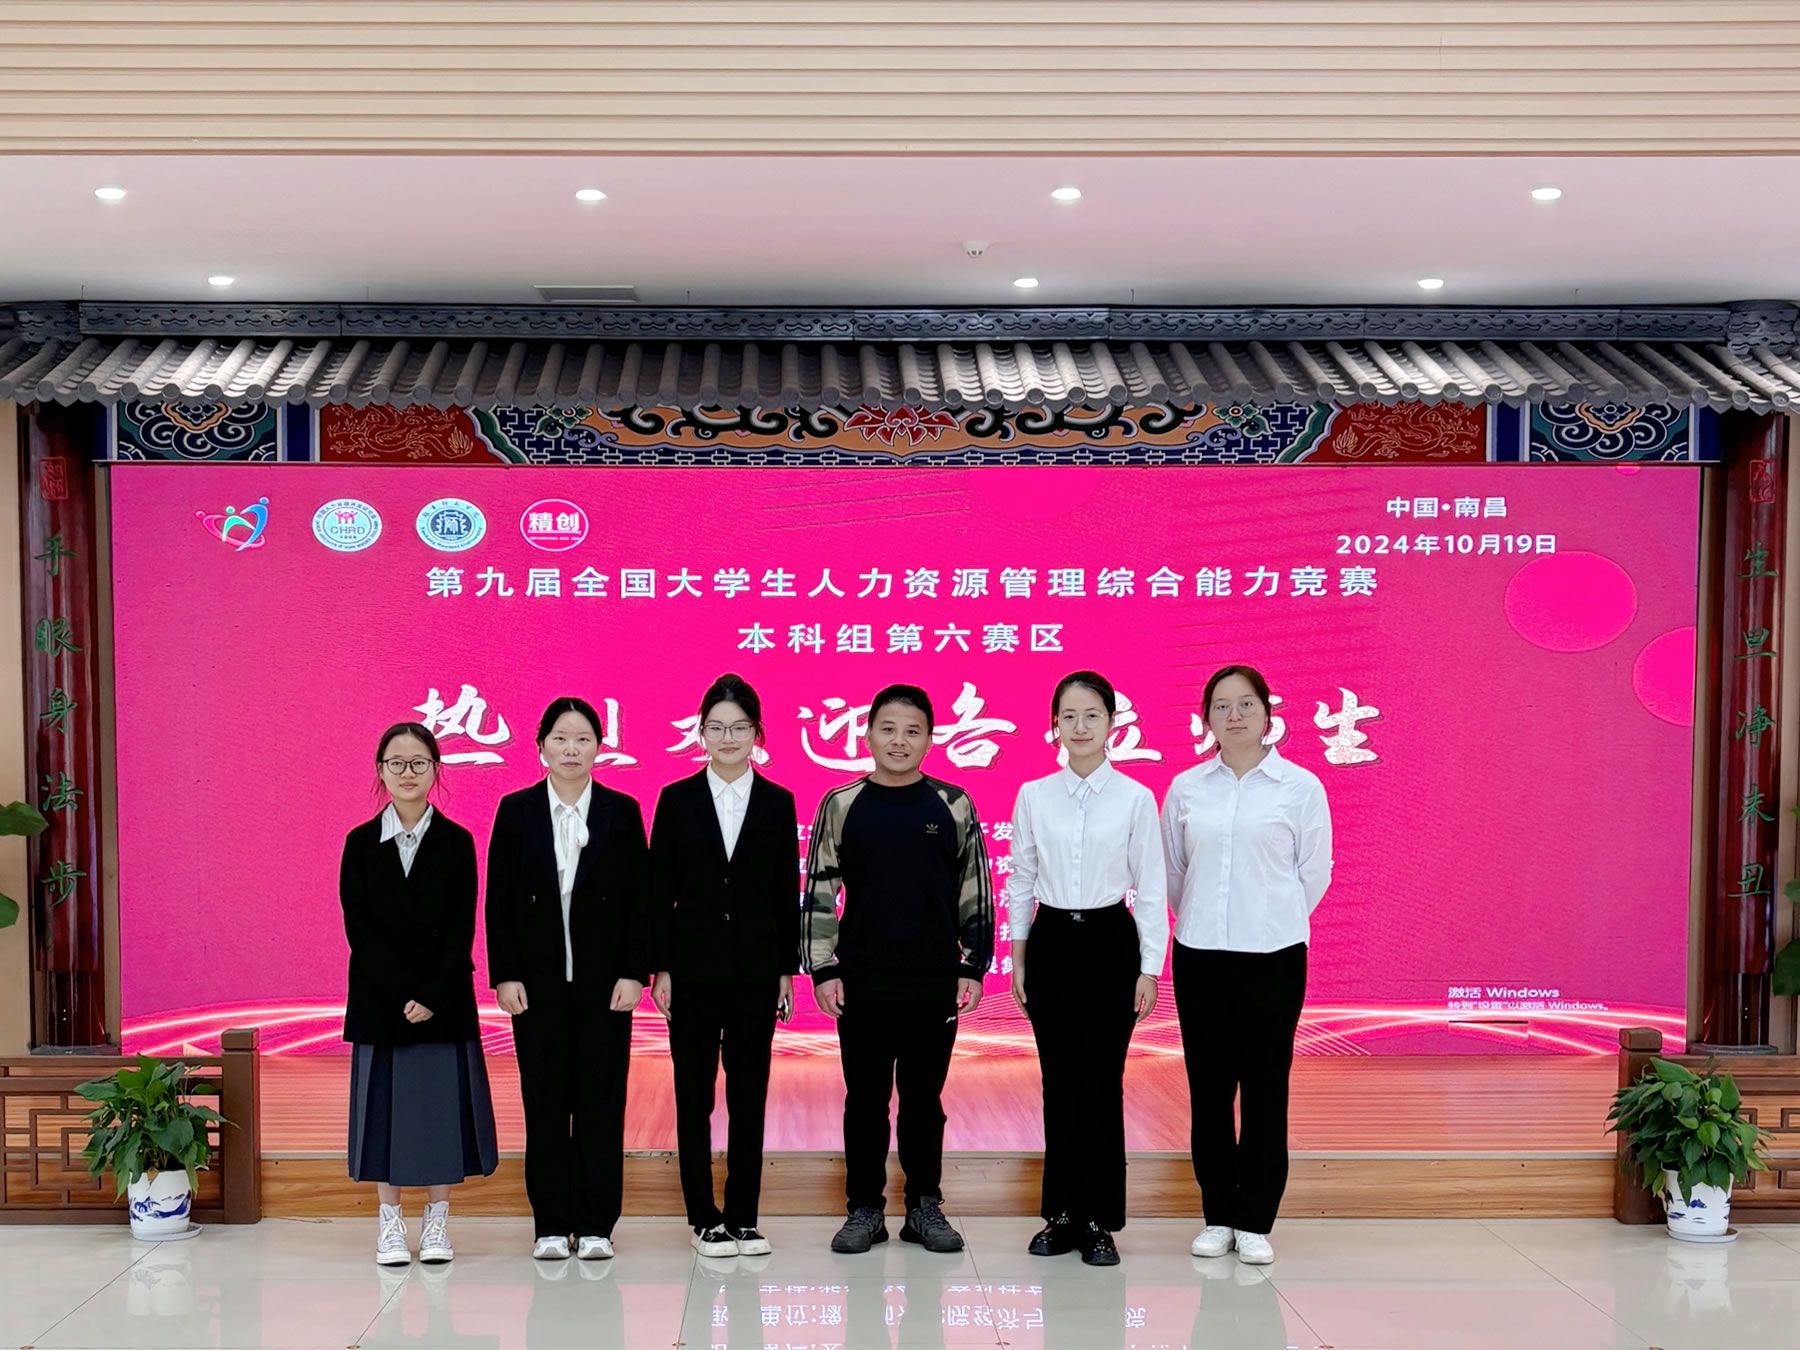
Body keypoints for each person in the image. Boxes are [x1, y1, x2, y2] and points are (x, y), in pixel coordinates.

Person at [802, 683, 994, 1255]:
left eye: (913, 731)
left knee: (923, 1102)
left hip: (934, 979)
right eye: (888, 729)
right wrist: (822, 968)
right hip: (861, 980)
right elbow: (819, 891)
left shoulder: (953, 804)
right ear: (868, 735)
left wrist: (973, 964)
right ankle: (864, 1209)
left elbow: (974, 887)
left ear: (931, 740)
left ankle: (923, 1206)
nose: (899, 741)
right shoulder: (841, 804)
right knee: (864, 1100)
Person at [1162, 665, 1333, 1267]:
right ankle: (1217, 1215)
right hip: (1201, 956)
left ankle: (1255, 1219)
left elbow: (1314, 873)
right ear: (1205, 718)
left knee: (1265, 1089)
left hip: (1274, 958)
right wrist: (1210, 919)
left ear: (1267, 713)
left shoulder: (1300, 787)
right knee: (1209, 1091)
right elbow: (1175, 873)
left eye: (1245, 704)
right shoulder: (1187, 788)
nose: (1233, 716)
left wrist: (1268, 918)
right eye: (1220, 706)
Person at [1007, 671, 1167, 1266]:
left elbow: (1151, 887)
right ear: (1055, 725)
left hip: (1109, 943)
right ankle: (1062, 1215)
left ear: (1111, 724)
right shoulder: (1034, 795)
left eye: (1092, 715)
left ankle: (1100, 1220)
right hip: (1050, 940)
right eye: (1069, 716)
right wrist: (1019, 957)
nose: (1080, 726)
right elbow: (1022, 879)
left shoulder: (1134, 798)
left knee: (1101, 1082)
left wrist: (1149, 968)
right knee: (1058, 1082)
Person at [485, 696, 651, 1261]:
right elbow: (500, 899)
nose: (571, 749)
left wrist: (634, 971)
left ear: (599, 748)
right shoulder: (516, 811)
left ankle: (598, 1223)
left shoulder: (621, 811)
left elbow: (639, 900)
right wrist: (505, 975)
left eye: (583, 739)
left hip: (606, 985)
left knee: (602, 1103)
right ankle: (551, 1224)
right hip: (537, 986)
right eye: (560, 738)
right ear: (541, 747)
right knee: (546, 1104)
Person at [650, 673, 800, 1259]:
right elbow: (659, 889)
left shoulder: (778, 802)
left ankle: (742, 1216)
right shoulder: (676, 799)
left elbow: (784, 891)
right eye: (716, 728)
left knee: (749, 1094)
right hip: (691, 969)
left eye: (739, 727)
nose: (728, 738)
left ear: (757, 733)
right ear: (702, 734)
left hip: (756, 972)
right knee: (693, 1096)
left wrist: (786, 970)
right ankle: (702, 1217)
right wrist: (660, 967)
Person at [340, 721, 498, 1266]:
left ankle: (436, 1222)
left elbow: (460, 929)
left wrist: (430, 994)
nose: (407, 773)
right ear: (380, 771)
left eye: (419, 763)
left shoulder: (457, 842)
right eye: (396, 763)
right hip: (379, 999)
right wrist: (399, 991)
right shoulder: (360, 843)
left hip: (443, 999)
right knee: (381, 1112)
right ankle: (389, 1222)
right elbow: (359, 928)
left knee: (438, 1114)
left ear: (435, 770)